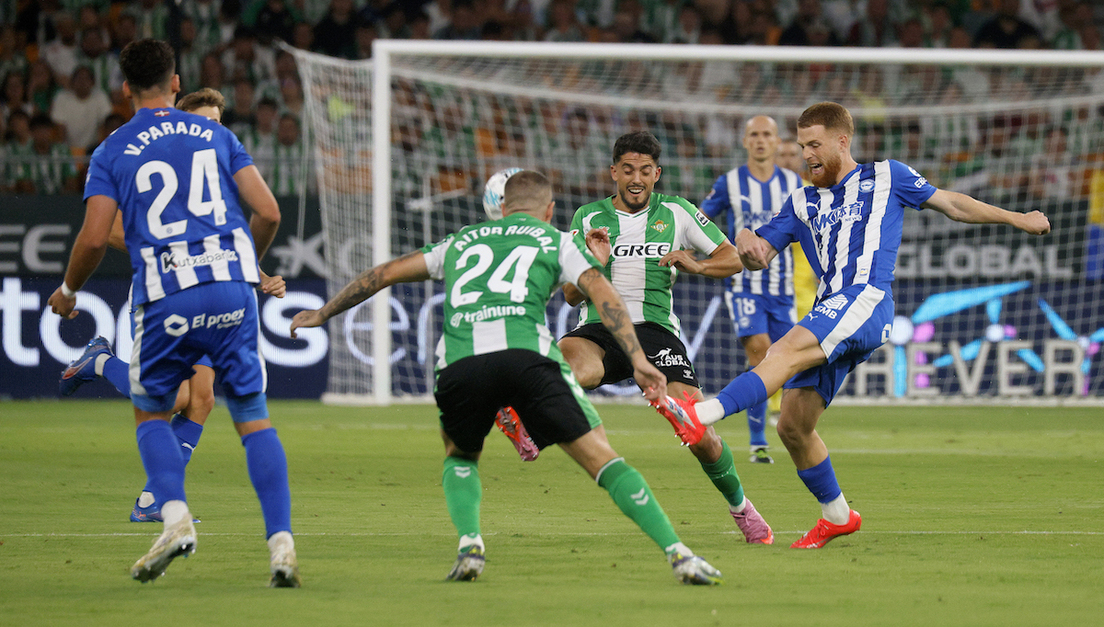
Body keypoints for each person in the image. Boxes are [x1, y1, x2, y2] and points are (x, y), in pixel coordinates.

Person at [288, 170, 724, 585]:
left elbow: (382, 274)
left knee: (460, 457)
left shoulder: (460, 240)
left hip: (461, 364)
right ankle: (678, 553)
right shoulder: (555, 240)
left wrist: (323, 312)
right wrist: (636, 356)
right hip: (527, 360)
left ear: (501, 207)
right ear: (549, 210)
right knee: (604, 460)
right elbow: (599, 291)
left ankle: (470, 544)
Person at [653, 101, 1051, 549]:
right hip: (833, 307)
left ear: (843, 141)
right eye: (802, 146)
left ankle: (699, 414)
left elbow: (952, 204)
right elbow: (760, 256)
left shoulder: (888, 176)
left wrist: (1017, 218)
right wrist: (731, 252)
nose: (806, 155)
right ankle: (838, 516)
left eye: (814, 145)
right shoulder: (801, 201)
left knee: (779, 353)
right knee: (793, 425)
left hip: (866, 298)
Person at [47, 40, 300, 587]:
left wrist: (69, 290)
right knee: (252, 417)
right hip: (231, 292)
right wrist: (244, 264)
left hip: (168, 293)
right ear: (177, 82)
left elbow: (92, 238)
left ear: (124, 89)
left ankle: (174, 518)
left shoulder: (113, 149)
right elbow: (269, 210)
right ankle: (281, 545)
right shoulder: (216, 135)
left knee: (155, 411)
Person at [558, 130, 774, 545]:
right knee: (563, 367)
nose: (635, 178)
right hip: (599, 328)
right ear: (613, 173)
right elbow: (570, 295)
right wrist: (593, 261)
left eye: (644, 170)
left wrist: (696, 264)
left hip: (656, 332)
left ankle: (742, 509)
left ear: (656, 174)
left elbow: (730, 258)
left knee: (700, 431)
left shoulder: (676, 211)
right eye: (627, 170)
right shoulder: (588, 217)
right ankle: (528, 417)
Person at [701, 115, 804, 464]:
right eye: (754, 135)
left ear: (777, 142)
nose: (760, 141)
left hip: (782, 289)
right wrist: (697, 252)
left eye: (767, 135)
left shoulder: (794, 182)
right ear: (745, 141)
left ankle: (794, 432)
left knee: (788, 362)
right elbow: (701, 218)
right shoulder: (730, 182)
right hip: (743, 285)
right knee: (760, 354)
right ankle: (758, 442)